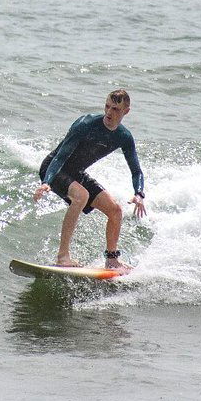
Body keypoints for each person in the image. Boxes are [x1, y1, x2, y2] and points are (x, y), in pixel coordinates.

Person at [33, 88, 146, 270]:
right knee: (81, 195)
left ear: (126, 111)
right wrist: (46, 182)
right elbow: (60, 157)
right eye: (107, 106)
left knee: (115, 210)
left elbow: (136, 171)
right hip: (54, 168)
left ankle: (111, 259)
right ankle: (63, 257)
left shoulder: (124, 137)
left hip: (75, 173)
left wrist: (139, 194)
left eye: (115, 109)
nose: (109, 112)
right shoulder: (85, 124)